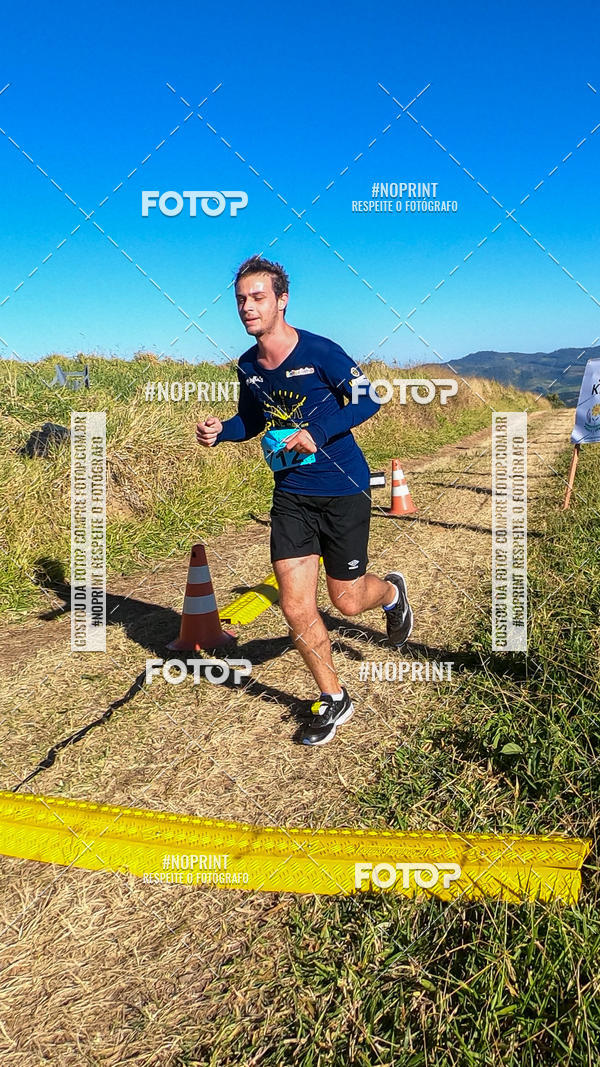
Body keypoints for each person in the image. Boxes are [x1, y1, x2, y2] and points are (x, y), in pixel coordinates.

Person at [196, 255, 413, 746]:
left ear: (281, 300)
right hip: (291, 496)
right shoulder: (248, 366)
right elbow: (250, 421)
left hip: (343, 490)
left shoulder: (319, 351)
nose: (247, 308)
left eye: (258, 298)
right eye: (240, 300)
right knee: (296, 605)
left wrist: (318, 430)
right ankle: (334, 698)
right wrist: (221, 431)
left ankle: (392, 592)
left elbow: (369, 398)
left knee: (347, 600)